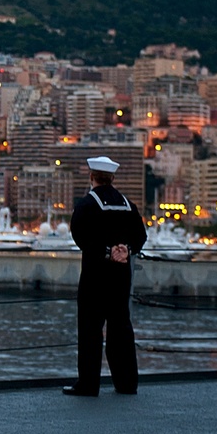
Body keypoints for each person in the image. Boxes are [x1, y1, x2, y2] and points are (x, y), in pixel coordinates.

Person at [63, 155, 147, 397]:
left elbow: (80, 236)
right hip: (121, 279)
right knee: (121, 328)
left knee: (90, 330)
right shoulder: (128, 205)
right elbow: (140, 236)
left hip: (94, 278)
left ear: (92, 177)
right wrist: (126, 250)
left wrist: (107, 252)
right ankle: (127, 383)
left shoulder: (86, 205)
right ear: (112, 178)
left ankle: (89, 384)